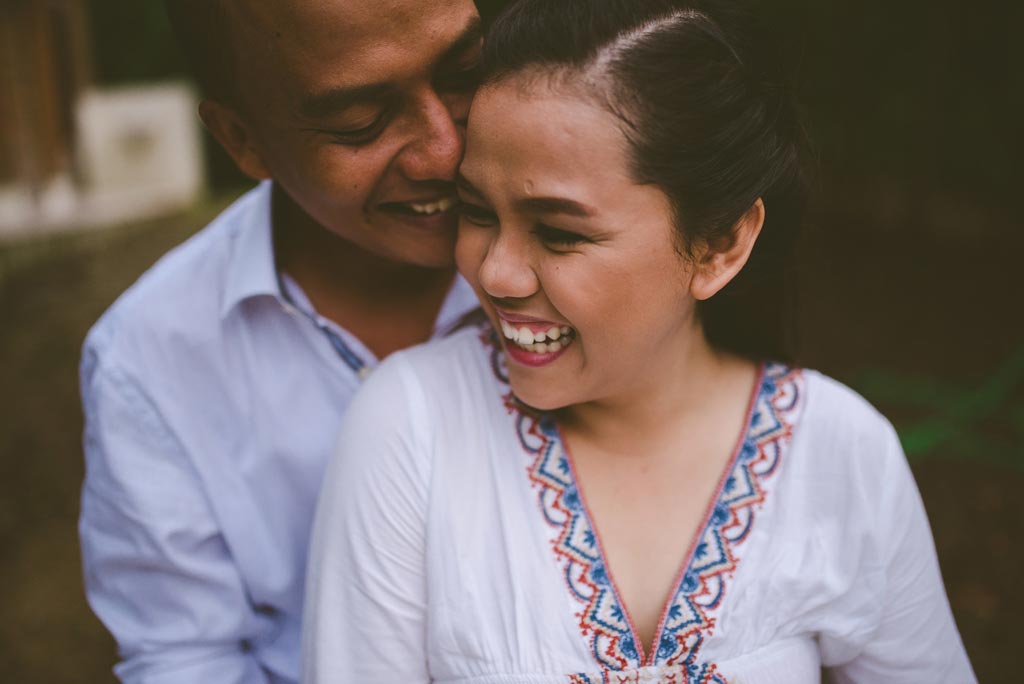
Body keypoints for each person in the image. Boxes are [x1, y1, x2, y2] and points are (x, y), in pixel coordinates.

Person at [302, 0, 976, 681]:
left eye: (560, 232)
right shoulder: (411, 428)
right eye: (476, 212)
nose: (495, 273)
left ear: (719, 244)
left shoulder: (842, 454)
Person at [77, 1, 485, 682]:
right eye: (361, 121)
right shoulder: (150, 361)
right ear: (244, 141)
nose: (444, 150)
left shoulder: (606, 252)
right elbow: (186, 661)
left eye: (464, 72)